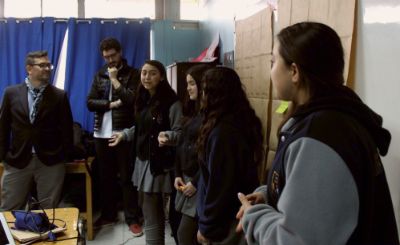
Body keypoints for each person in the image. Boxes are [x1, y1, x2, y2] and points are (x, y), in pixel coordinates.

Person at [236, 22, 400, 245]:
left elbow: (295, 240)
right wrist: (271, 194)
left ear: (294, 71)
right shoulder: (339, 119)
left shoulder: (321, 136)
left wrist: (253, 216)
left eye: (273, 62)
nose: (271, 71)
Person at [109, 60, 182, 245]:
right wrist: (124, 135)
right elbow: (141, 127)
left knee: (153, 212)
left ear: (162, 77)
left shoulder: (172, 102)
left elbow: (181, 133)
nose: (146, 77)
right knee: (150, 211)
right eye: (144, 73)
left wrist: (168, 135)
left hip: (159, 164)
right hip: (143, 161)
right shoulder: (142, 98)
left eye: (152, 73)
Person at [196, 66, 263, 245]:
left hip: (227, 223)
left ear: (213, 94)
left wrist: (206, 227)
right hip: (230, 217)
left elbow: (220, 187)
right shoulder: (236, 121)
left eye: (205, 90)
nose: (202, 95)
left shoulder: (224, 133)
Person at [0, 50, 73, 210]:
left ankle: (44, 236)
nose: (47, 68)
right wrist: (4, 156)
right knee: (9, 210)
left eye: (48, 65)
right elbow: (3, 127)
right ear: (29, 68)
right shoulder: (11, 93)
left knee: (49, 211)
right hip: (17, 161)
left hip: (50, 162)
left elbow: (67, 130)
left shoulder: (59, 96)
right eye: (42, 65)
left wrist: (62, 156)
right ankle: (9, 237)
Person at [86, 37, 143, 236]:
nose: (110, 60)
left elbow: (132, 100)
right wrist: (110, 105)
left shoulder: (134, 74)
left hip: (123, 133)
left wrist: (115, 80)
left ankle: (132, 218)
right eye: (106, 57)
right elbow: (90, 102)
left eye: (113, 55)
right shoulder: (99, 74)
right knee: (105, 177)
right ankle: (109, 214)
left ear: (120, 52)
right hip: (101, 133)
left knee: (127, 177)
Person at [174, 64, 211, 245]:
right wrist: (177, 174)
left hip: (198, 182)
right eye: (187, 83)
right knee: (179, 230)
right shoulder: (193, 110)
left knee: (185, 234)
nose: (188, 88)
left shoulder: (211, 116)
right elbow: (181, 146)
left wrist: (196, 182)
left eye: (191, 83)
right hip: (186, 179)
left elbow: (209, 158)